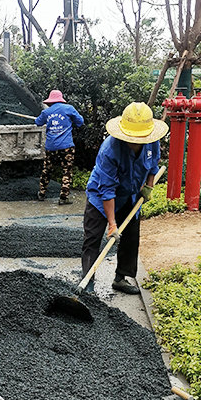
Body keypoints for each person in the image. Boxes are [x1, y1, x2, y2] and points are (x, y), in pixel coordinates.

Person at [82, 102, 168, 295]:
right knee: (92, 238)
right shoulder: (110, 150)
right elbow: (107, 190)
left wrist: (148, 187)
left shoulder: (151, 141)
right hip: (101, 197)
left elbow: (153, 166)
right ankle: (87, 283)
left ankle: (121, 277)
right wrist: (112, 224)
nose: (135, 141)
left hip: (130, 196)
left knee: (130, 237)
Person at [35, 90, 84, 205]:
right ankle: (63, 197)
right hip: (66, 146)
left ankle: (41, 194)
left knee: (47, 170)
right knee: (67, 171)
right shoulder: (69, 109)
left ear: (50, 101)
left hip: (51, 147)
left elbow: (37, 122)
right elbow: (80, 122)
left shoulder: (46, 112)